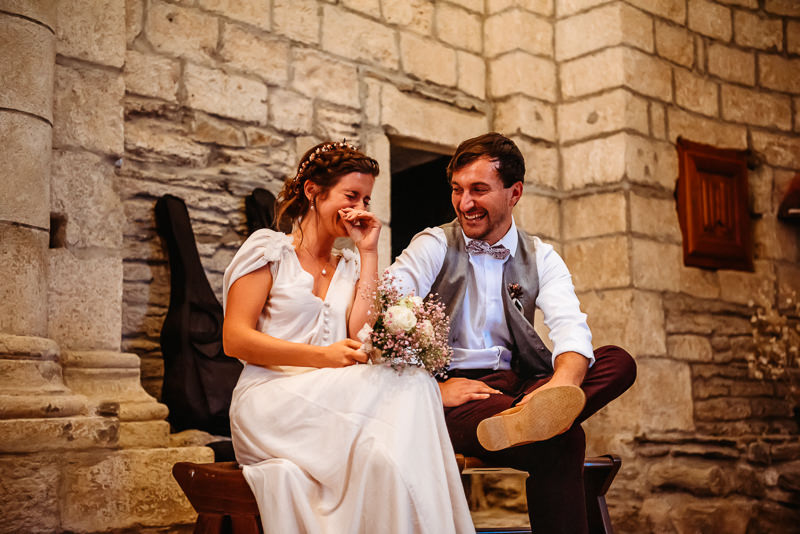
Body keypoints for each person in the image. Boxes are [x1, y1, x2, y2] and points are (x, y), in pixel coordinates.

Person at [390, 132, 637, 534]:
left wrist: (559, 390)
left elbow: (569, 326)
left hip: (519, 387)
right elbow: (384, 312)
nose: (465, 203)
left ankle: (534, 417)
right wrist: (430, 389)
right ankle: (535, 422)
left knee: (618, 361)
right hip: (456, 394)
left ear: (514, 192)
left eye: (479, 190)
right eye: (458, 190)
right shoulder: (433, 244)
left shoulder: (540, 255)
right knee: (565, 440)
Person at [222, 141, 474, 534]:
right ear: (312, 191)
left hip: (332, 397)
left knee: (387, 455)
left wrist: (369, 251)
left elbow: (361, 333)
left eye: (367, 199)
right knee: (410, 387)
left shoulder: (350, 265)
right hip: (268, 401)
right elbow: (235, 340)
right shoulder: (270, 251)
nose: (360, 207)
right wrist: (322, 357)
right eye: (350, 195)